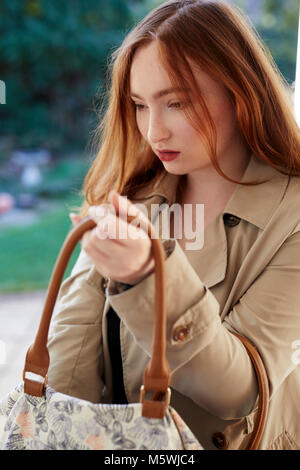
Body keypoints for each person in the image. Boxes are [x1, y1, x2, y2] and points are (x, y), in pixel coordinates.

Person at [47, 0, 300, 450]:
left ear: (241, 90)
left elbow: (241, 391)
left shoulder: (293, 213)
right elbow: (70, 361)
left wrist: (146, 274)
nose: (153, 131)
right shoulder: (134, 195)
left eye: (177, 102)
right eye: (140, 105)